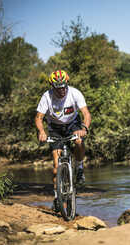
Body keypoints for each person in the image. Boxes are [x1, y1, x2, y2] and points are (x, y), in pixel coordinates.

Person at [35, 70, 91, 212]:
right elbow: (39, 117)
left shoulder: (75, 93)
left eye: (63, 87)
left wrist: (84, 128)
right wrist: (42, 132)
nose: (61, 91)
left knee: (78, 142)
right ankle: (58, 198)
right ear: (52, 87)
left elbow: (86, 113)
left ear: (67, 84)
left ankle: (79, 166)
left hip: (73, 124)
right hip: (55, 128)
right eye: (58, 88)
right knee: (56, 166)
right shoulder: (46, 97)